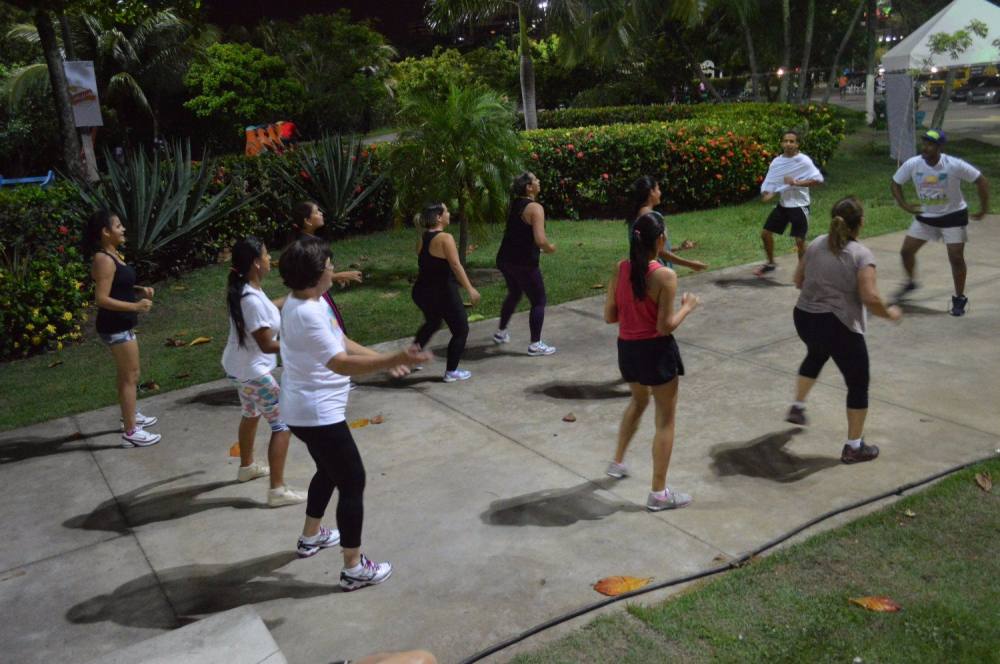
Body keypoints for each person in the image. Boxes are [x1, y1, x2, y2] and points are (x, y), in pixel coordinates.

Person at [278, 237, 429, 590]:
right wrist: (393, 359)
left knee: (328, 471)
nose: (333, 270)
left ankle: (310, 536)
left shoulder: (309, 300)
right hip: (317, 414)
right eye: (330, 266)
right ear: (317, 273)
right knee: (352, 480)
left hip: (305, 409)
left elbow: (341, 341)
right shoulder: (306, 313)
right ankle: (353, 568)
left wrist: (384, 359)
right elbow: (341, 362)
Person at [786, 196, 902, 464]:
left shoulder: (816, 243)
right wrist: (891, 313)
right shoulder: (861, 255)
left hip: (804, 318)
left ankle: (797, 406)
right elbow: (871, 298)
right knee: (858, 383)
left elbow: (797, 280)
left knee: (817, 353)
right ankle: (854, 447)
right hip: (837, 325)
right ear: (861, 222)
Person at [603, 213, 700, 511]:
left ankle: (617, 462)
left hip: (627, 350)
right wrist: (687, 307)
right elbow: (664, 326)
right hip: (656, 353)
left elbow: (610, 316)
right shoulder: (664, 276)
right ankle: (659, 494)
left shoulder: (621, 268)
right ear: (660, 240)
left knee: (638, 400)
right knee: (665, 420)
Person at [222, 237, 306, 507]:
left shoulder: (250, 290)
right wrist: (301, 344)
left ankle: (247, 467)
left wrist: (297, 296)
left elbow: (269, 309)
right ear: (256, 263)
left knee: (251, 413)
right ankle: (277, 491)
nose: (271, 259)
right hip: (253, 372)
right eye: (267, 255)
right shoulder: (251, 300)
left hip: (240, 369)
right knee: (283, 423)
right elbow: (267, 344)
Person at [890, 129, 990, 316]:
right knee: (906, 252)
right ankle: (911, 282)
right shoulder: (914, 163)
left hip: (953, 216)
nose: (925, 147)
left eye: (930, 144)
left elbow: (981, 181)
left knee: (956, 258)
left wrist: (983, 209)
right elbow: (895, 183)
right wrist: (904, 205)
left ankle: (959, 298)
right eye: (924, 143)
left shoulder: (953, 165)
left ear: (940, 147)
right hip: (926, 217)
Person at [86, 210, 161, 448]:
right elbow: (101, 298)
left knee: (126, 374)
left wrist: (139, 290)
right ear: (105, 232)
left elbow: (118, 284)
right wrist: (136, 306)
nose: (123, 229)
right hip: (115, 326)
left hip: (121, 324)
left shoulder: (113, 255)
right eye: (118, 226)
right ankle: (131, 432)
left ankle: (129, 415)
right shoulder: (104, 259)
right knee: (131, 375)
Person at [411, 203, 480, 382]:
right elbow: (456, 266)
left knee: (433, 322)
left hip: (421, 291)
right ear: (439, 217)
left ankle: (411, 357)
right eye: (446, 211)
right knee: (461, 330)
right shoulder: (445, 238)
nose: (449, 214)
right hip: (442, 292)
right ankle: (451, 371)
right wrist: (470, 289)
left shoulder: (423, 237)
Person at [493, 172, 557, 356]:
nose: (539, 181)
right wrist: (549, 247)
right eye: (535, 180)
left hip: (505, 259)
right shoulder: (535, 208)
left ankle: (501, 332)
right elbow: (540, 239)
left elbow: (519, 232)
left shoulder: (515, 204)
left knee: (515, 293)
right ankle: (535, 344)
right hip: (523, 263)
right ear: (529, 187)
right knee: (539, 300)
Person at [755, 130, 824, 276]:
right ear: (782, 143)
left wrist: (796, 182)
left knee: (799, 241)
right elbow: (771, 182)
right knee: (765, 234)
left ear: (797, 144)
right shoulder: (777, 162)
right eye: (785, 141)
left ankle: (803, 273)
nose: (788, 144)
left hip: (800, 206)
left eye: (791, 141)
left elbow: (818, 180)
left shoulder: (803, 161)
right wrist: (768, 193)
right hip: (783, 205)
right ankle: (771, 263)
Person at [628, 176, 708, 272]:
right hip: (658, 272)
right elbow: (660, 252)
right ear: (651, 192)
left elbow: (650, 247)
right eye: (658, 189)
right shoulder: (654, 218)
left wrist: (679, 248)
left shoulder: (634, 218)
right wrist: (691, 264)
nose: (660, 193)